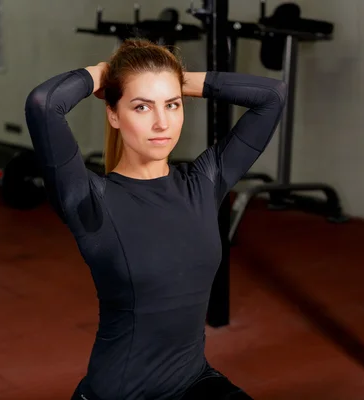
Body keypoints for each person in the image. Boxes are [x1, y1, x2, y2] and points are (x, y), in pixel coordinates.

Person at [24, 39, 287, 400]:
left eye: (172, 104)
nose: (162, 122)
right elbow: (45, 104)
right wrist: (104, 74)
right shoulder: (89, 201)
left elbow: (272, 96)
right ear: (114, 114)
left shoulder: (203, 183)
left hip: (194, 382)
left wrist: (180, 79)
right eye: (142, 106)